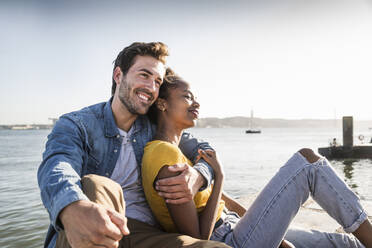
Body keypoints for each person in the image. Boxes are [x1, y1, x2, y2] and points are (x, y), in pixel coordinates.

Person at [141, 73, 372, 248]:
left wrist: (271, 231)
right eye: (187, 97)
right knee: (308, 162)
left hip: (239, 227)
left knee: (344, 243)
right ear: (162, 104)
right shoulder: (163, 154)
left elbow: (222, 201)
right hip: (229, 241)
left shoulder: (181, 152)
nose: (197, 103)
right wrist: (219, 177)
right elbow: (199, 240)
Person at [37, 42, 230, 248]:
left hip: (146, 234)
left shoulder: (154, 128)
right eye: (144, 75)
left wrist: (199, 175)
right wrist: (72, 205)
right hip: (95, 224)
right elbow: (57, 166)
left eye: (157, 81)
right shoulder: (78, 124)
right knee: (96, 184)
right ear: (118, 75)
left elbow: (204, 149)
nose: (151, 87)